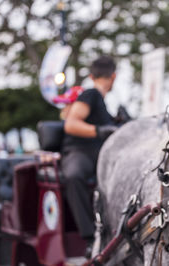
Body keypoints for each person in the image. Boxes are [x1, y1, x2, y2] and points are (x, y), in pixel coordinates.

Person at [61, 55, 118, 253]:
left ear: (92, 75)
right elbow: (71, 124)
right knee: (74, 176)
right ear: (114, 76)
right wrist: (100, 131)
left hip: (102, 155)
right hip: (79, 151)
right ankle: (89, 238)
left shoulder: (104, 105)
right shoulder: (91, 94)